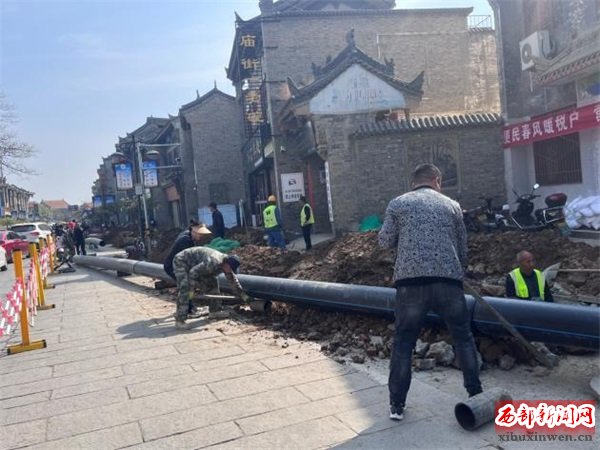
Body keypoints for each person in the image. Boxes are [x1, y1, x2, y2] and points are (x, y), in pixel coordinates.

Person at [378, 163, 482, 421]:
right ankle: (476, 393)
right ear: (436, 180)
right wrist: (457, 272)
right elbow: (463, 248)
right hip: (447, 281)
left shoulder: (398, 203)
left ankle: (396, 406)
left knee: (403, 343)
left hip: (410, 284)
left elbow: (384, 241)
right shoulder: (452, 206)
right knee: (463, 337)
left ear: (413, 182)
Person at [172, 246, 252, 330]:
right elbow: (193, 273)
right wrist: (191, 290)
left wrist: (245, 297)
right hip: (182, 261)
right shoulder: (212, 262)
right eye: (230, 269)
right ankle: (180, 320)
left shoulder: (226, 265)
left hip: (197, 265)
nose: (229, 271)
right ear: (226, 264)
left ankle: (215, 311)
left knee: (213, 283)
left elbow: (234, 282)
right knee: (185, 288)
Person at [164, 224, 213, 317]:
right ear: (194, 232)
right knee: (185, 287)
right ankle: (188, 310)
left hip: (178, 265)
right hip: (173, 266)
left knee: (186, 286)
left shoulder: (189, 238)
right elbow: (188, 260)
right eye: (200, 234)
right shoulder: (186, 241)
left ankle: (189, 308)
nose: (201, 236)